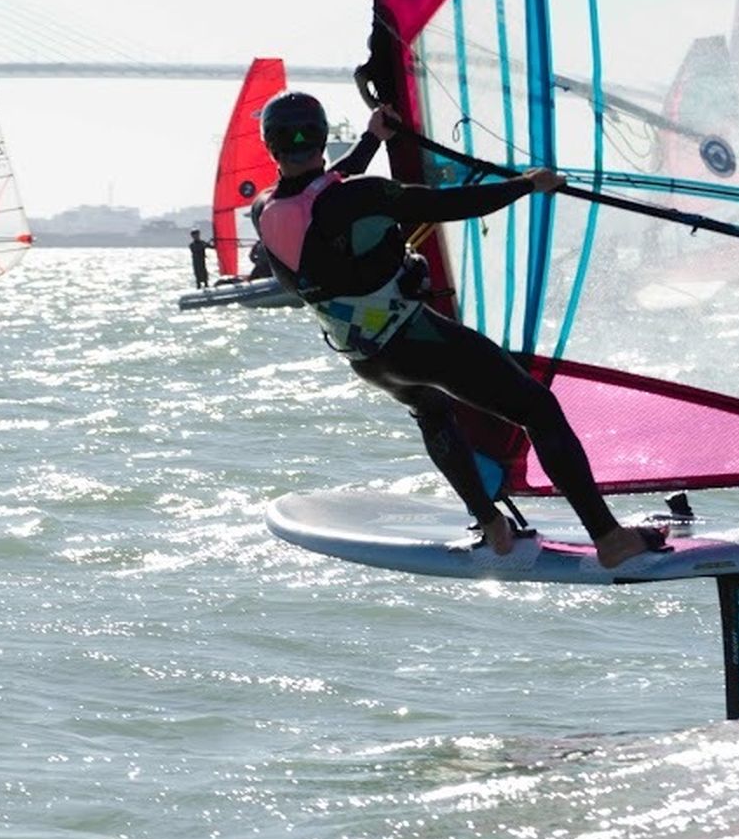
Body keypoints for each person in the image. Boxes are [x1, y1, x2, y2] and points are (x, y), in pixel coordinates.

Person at [251, 91, 666, 568]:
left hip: (367, 360)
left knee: (432, 412)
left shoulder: (266, 211)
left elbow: (321, 191)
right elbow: (451, 204)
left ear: (269, 148)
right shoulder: (358, 195)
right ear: (323, 136)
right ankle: (609, 537)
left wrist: (371, 138)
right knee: (539, 409)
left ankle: (491, 523)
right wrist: (526, 184)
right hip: (414, 339)